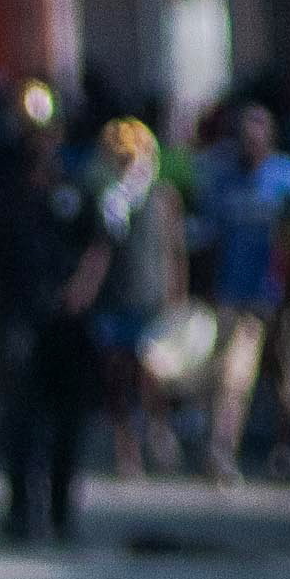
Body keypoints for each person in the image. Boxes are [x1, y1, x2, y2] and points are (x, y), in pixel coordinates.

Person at [0, 99, 112, 544]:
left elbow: (99, 246)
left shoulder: (76, 192)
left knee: (67, 423)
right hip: (22, 320)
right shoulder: (7, 195)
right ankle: (20, 511)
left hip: (68, 327)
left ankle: (61, 511)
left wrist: (82, 291)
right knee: (21, 422)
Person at [193, 99, 290, 485]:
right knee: (232, 380)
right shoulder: (221, 179)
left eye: (258, 132)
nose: (250, 140)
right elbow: (209, 238)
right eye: (244, 133)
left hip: (282, 297)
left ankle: (288, 452)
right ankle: (222, 454)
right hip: (236, 296)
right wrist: (209, 289)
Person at [86, 117, 186, 478]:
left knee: (152, 375)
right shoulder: (107, 200)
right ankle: (126, 449)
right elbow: (99, 252)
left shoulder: (163, 196)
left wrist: (178, 295)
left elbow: (176, 249)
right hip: (115, 300)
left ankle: (159, 430)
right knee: (116, 378)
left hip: (153, 298)